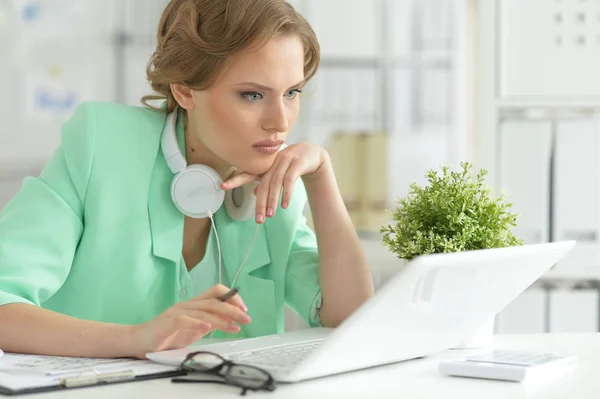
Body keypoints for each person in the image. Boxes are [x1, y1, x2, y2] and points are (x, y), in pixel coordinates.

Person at [0, 0, 373, 360]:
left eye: (292, 92)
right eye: (252, 94)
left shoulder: (276, 181)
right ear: (184, 89)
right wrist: (138, 338)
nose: (280, 122)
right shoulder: (102, 146)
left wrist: (322, 175)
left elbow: (348, 317)